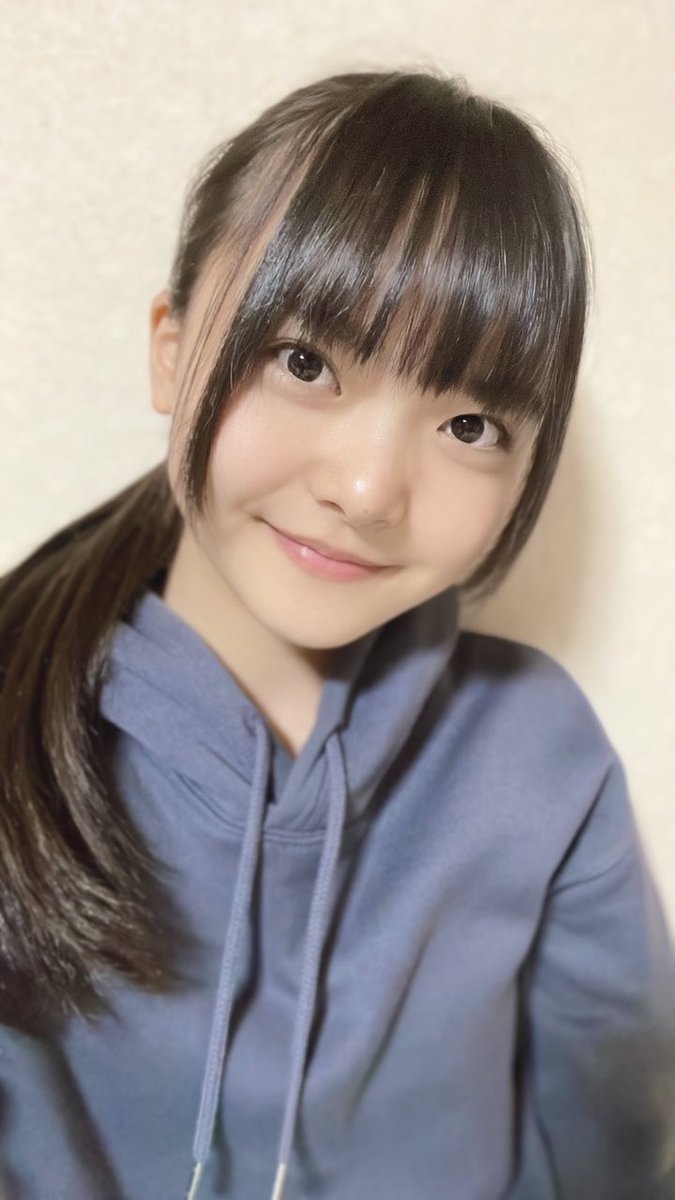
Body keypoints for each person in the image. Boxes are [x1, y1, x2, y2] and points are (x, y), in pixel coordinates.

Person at [0, 67, 673, 1200]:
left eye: (470, 424)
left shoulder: (540, 758)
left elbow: (619, 1148)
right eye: (305, 362)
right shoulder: (23, 724)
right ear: (171, 347)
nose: (366, 490)